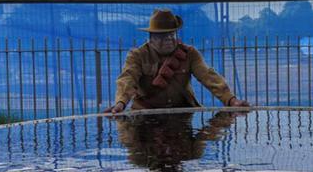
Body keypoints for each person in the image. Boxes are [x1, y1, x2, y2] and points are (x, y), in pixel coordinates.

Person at [105, 8, 250, 113]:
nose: (168, 40)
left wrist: (231, 100)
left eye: (171, 35)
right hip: (146, 113)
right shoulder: (137, 55)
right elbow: (127, 79)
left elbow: (209, 77)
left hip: (183, 112)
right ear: (151, 38)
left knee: (195, 152)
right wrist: (120, 103)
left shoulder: (189, 53)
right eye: (162, 36)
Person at [117, 111, 238, 172]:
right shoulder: (191, 152)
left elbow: (127, 131)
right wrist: (228, 115)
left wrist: (119, 114)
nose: (166, 149)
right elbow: (210, 132)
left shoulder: (139, 156)